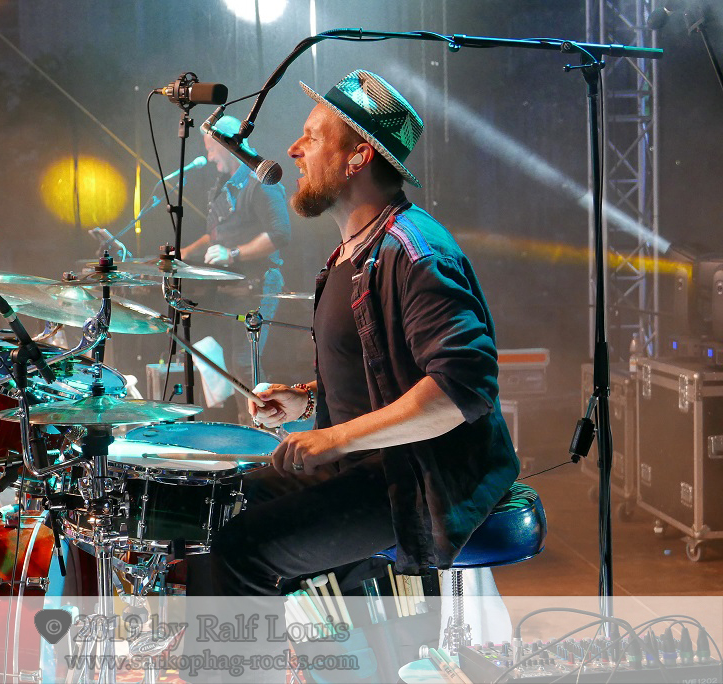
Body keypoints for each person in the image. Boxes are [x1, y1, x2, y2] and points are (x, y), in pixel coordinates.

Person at [198, 70, 520, 597]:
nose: (293, 150)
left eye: (312, 137)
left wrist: (333, 438)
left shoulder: (416, 253)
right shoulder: (351, 255)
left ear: (358, 157)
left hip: (413, 479)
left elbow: (463, 390)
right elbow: (379, 375)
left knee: (242, 549)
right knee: (218, 503)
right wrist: (304, 400)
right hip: (363, 465)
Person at [179, 116, 291, 416]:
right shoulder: (228, 187)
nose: (209, 156)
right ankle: (249, 423)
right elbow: (217, 234)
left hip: (259, 284)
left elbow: (279, 234)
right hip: (234, 288)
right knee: (234, 364)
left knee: (245, 362)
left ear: (227, 144)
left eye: (210, 148)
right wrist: (184, 253)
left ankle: (266, 427)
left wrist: (232, 254)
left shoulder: (260, 182)